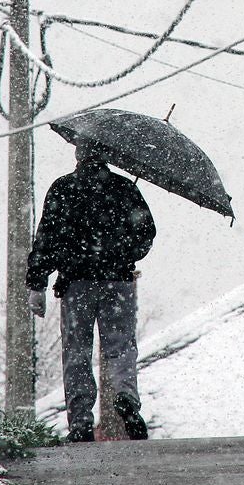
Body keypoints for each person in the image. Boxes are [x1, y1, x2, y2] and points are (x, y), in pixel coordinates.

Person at [27, 142, 156, 442]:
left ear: (78, 156)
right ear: (106, 156)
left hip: (76, 285)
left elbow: (47, 238)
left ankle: (81, 421)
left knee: (77, 351)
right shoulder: (124, 189)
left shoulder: (62, 189)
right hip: (118, 284)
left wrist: (37, 282)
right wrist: (123, 255)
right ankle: (126, 396)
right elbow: (147, 232)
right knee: (121, 346)